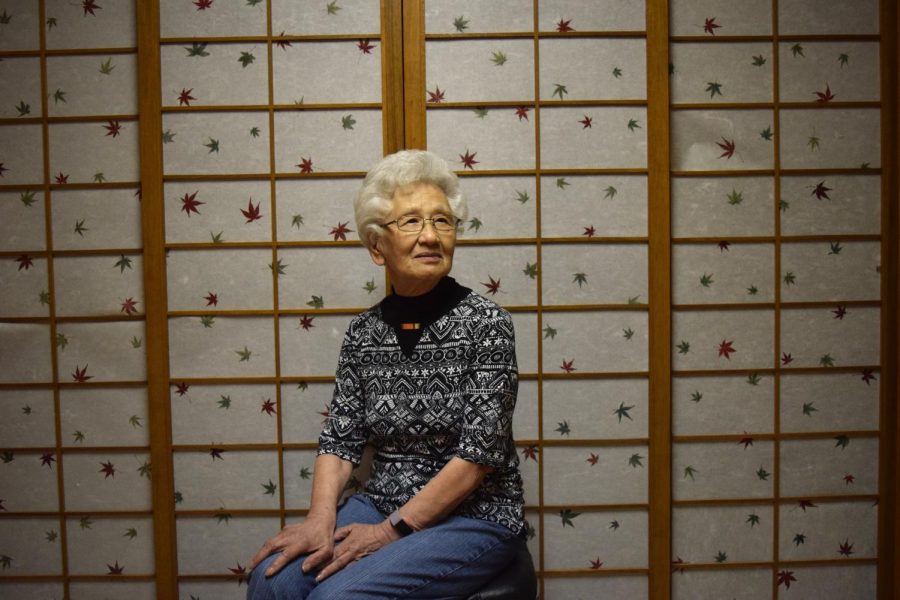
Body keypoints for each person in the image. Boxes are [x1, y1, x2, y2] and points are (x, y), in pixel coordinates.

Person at [246, 150, 526, 599]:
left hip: (474, 516)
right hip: (380, 504)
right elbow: (340, 440)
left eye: (443, 221)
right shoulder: (363, 332)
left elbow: (478, 458)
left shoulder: (487, 323)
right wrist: (320, 520)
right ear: (378, 247)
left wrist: (387, 533)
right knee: (271, 582)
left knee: (336, 598)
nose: (431, 236)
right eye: (411, 222)